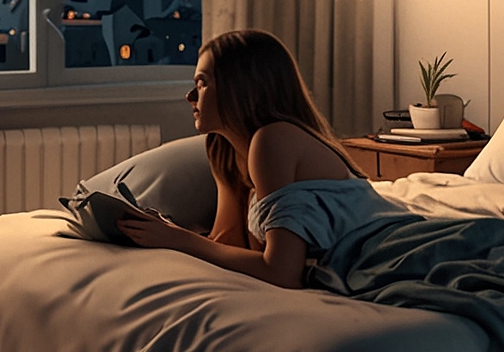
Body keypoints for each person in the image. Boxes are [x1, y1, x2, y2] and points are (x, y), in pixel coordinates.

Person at [120, 29, 414, 289]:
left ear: (239, 87)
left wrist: (179, 240)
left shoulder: (274, 141)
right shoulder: (223, 149)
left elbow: (282, 272)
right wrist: (164, 233)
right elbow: (229, 242)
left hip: (394, 248)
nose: (189, 96)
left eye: (202, 83)